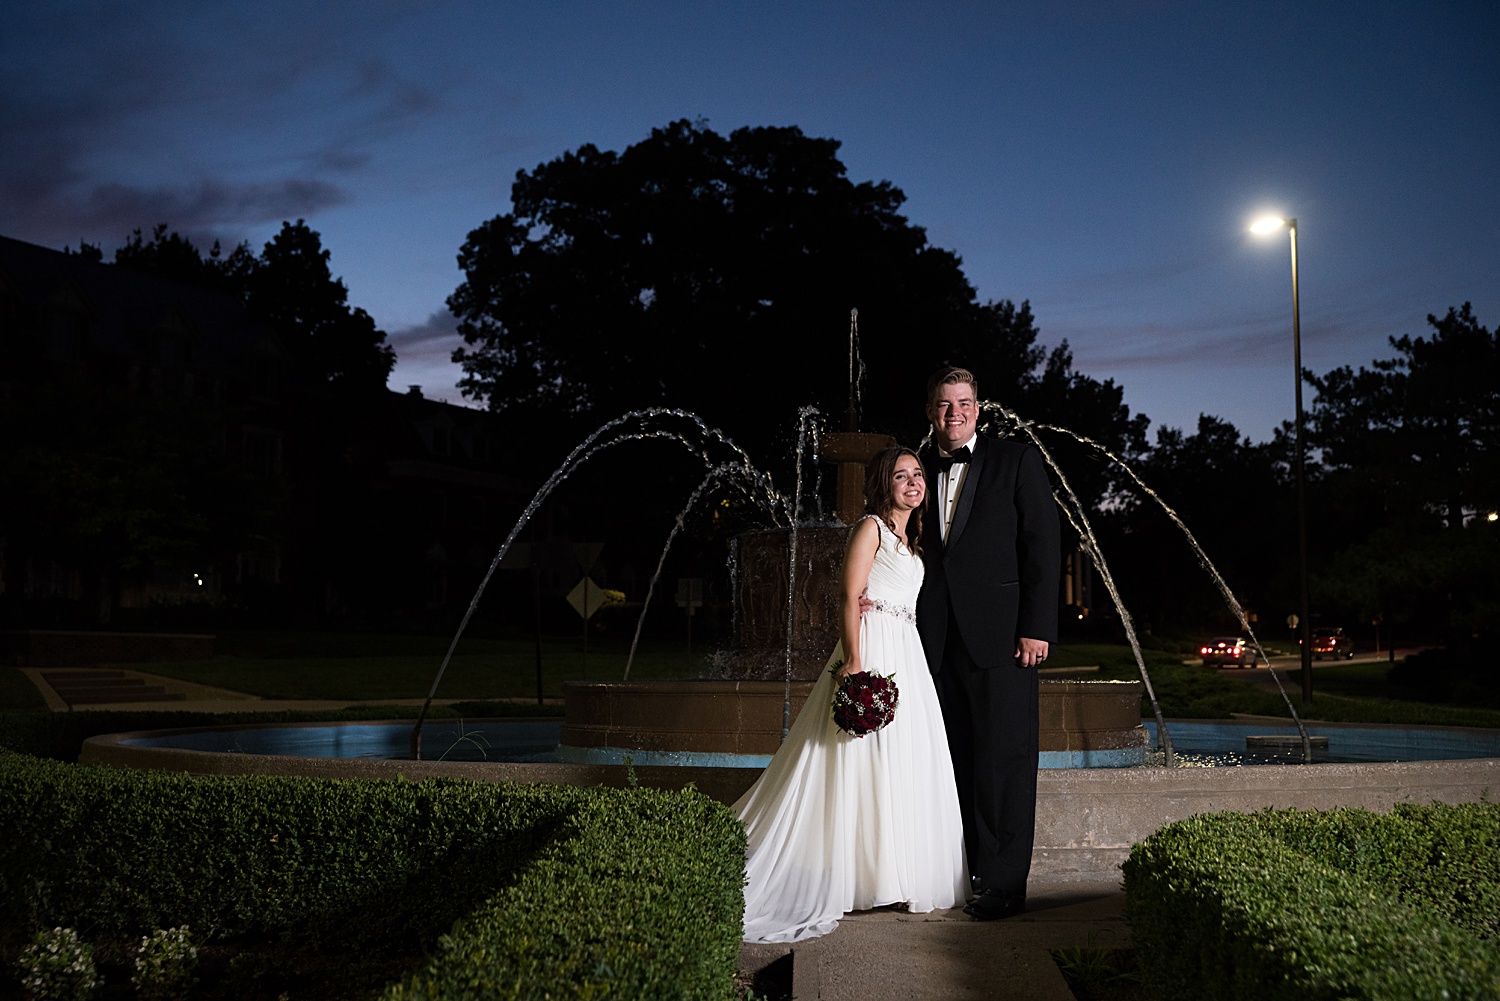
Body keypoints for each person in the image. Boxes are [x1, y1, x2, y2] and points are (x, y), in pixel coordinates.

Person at [735, 446, 967, 943]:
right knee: (857, 758)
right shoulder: (871, 529)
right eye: (902, 476)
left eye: (918, 475)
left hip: (909, 650)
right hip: (875, 644)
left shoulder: (913, 541)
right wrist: (854, 661)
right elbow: (848, 594)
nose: (913, 483)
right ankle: (853, 875)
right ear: (884, 484)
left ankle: (897, 874)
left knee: (903, 759)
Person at [915, 366, 1060, 920]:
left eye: (965, 402)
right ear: (932, 411)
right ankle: (963, 874)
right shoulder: (917, 469)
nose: (955, 412)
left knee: (1005, 760)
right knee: (952, 760)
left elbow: (1042, 545)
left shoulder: (1015, 459)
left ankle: (1004, 884)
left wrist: (1037, 626)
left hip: (1004, 640)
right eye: (945, 403)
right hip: (933, 640)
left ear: (979, 408)